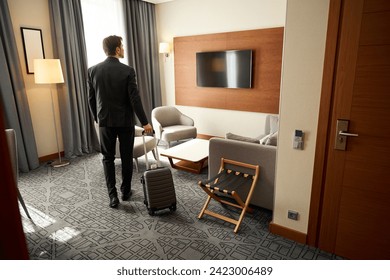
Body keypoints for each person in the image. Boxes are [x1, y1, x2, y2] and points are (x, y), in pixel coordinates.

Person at [88, 35, 153, 208]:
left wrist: (98, 118)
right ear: (117, 49)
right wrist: (145, 122)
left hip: (105, 122)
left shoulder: (93, 70)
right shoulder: (128, 71)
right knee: (126, 157)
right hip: (125, 122)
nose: (123, 49)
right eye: (122, 46)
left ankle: (112, 196)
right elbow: (135, 100)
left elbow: (91, 100)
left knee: (107, 159)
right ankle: (125, 191)